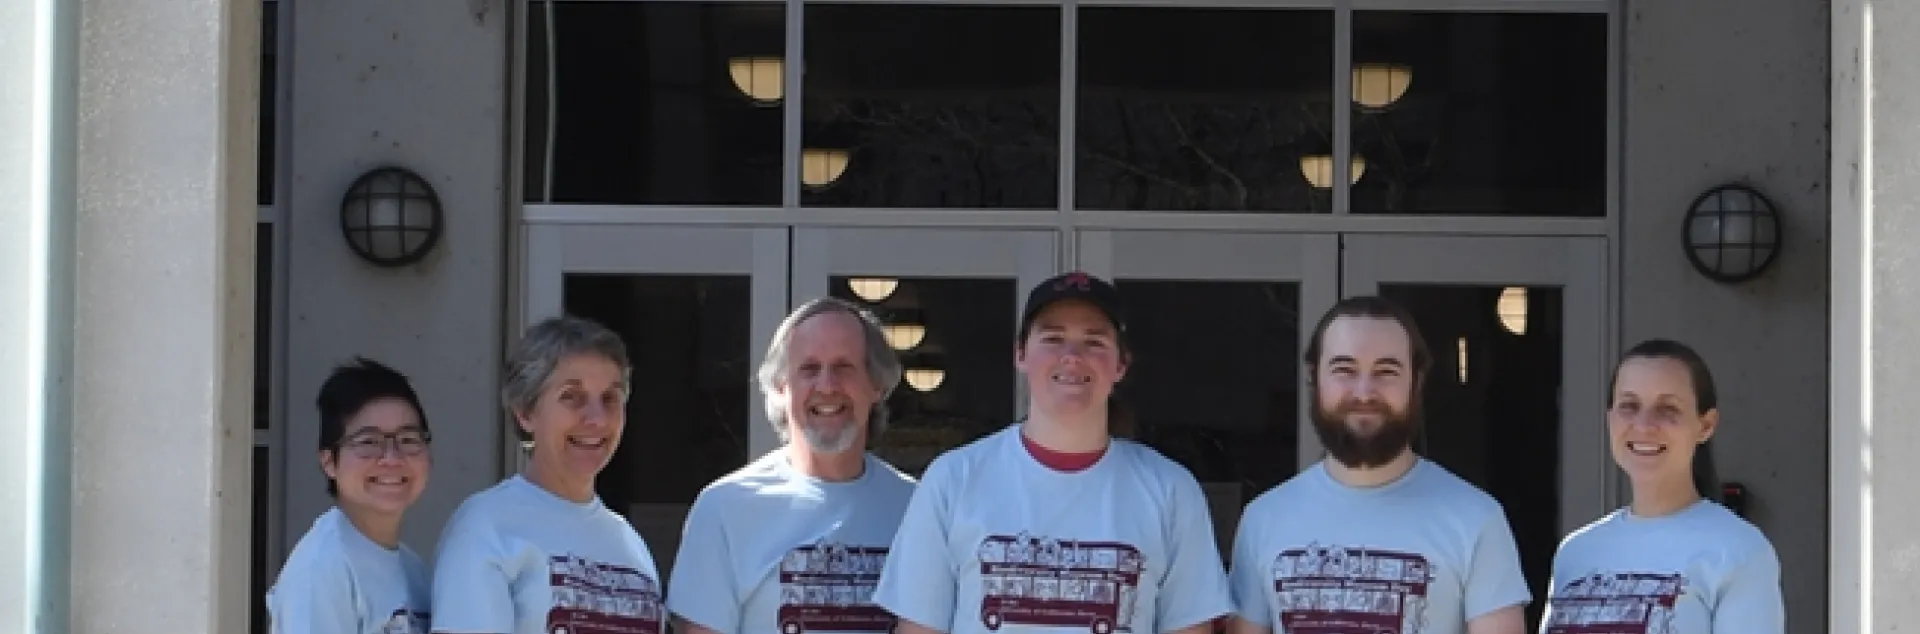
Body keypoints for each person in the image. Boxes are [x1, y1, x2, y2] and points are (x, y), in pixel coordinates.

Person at [873, 271, 1233, 634]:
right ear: (1020, 354)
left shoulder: (1170, 490)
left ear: (1121, 364)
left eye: (1094, 341)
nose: (1072, 357)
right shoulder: (954, 479)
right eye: (1053, 338)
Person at [1228, 296, 1530, 634]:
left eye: (1386, 371)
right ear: (1314, 378)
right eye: (1344, 370)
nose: (1364, 391)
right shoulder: (1263, 519)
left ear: (1416, 382)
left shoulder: (1477, 520)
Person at [667, 298, 918, 634]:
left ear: (876, 386)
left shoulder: (916, 507)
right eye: (809, 369)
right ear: (781, 387)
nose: (827, 386)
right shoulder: (726, 507)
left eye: (844, 367)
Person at [430, 316, 665, 634]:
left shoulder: (629, 543)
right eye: (572, 397)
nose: (596, 419)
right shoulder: (486, 526)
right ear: (525, 412)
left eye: (610, 398)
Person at [1538, 339, 1783, 634]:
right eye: (1629, 406)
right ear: (1609, 418)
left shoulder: (1738, 550)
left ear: (1705, 425)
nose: (1644, 425)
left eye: (1668, 409)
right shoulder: (1576, 552)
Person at [267, 357, 433, 634]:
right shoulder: (321, 568)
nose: (391, 458)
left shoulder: (412, 567)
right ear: (329, 461)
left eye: (408, 440)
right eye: (369, 442)